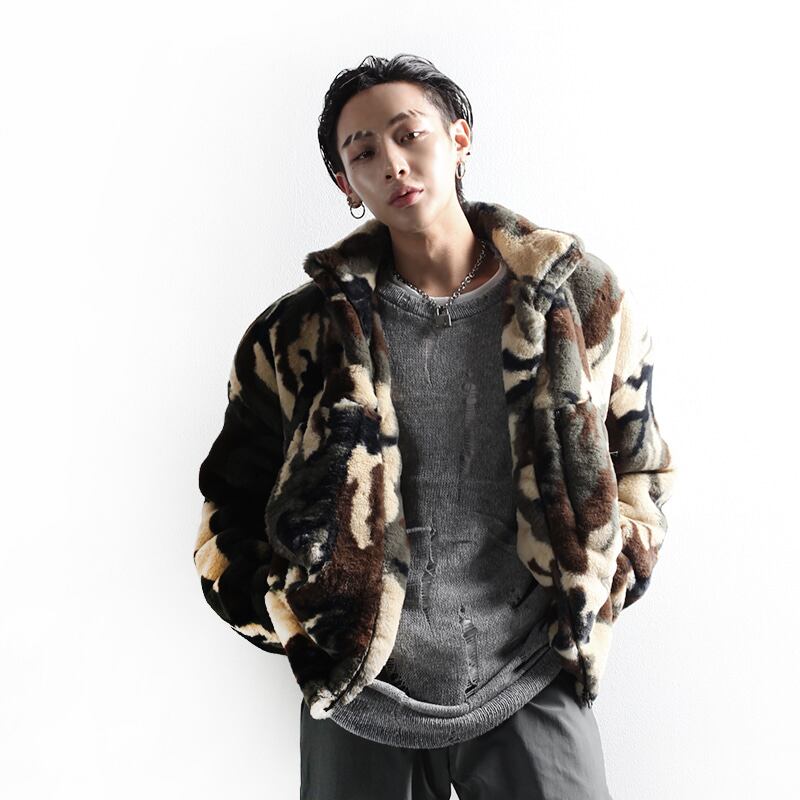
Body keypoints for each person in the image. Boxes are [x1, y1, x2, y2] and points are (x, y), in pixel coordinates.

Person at [193, 53, 676, 800]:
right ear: (345, 183)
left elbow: (639, 464)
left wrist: (601, 587)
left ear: (459, 137)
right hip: (360, 690)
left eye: (408, 133)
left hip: (529, 671)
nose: (392, 162)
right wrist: (298, 623)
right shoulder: (299, 334)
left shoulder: (576, 298)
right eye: (362, 152)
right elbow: (231, 503)